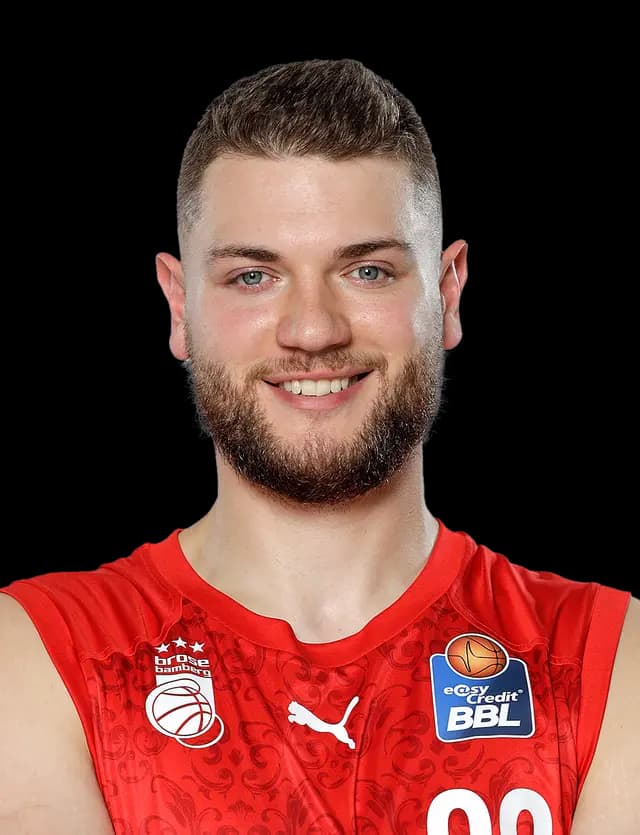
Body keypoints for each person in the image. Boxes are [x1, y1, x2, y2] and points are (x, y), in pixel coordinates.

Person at [0, 58, 636, 835]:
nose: (312, 329)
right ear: (179, 305)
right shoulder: (41, 650)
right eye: (253, 277)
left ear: (447, 293)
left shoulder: (609, 657)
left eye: (367, 270)